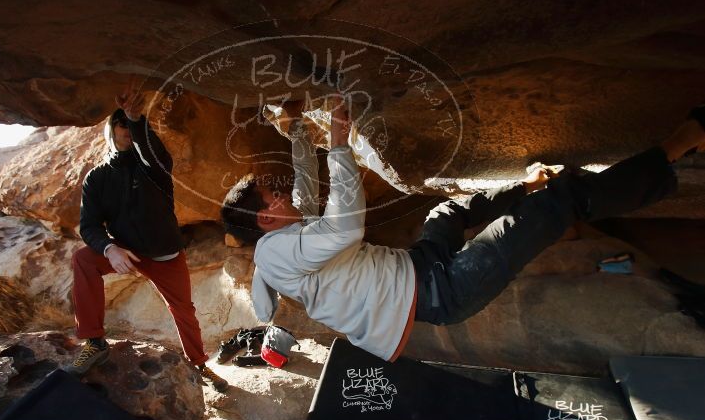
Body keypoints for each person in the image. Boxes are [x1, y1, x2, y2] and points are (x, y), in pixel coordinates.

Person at [221, 98, 705, 362]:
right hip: (442, 293)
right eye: (273, 197)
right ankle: (674, 150)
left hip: (419, 268)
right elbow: (344, 227)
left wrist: (299, 132)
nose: (283, 195)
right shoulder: (277, 254)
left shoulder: (281, 241)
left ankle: (527, 183)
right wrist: (341, 141)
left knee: (446, 213)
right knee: (557, 205)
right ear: (265, 219)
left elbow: (305, 192)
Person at [66, 82, 228, 392]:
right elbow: (88, 226)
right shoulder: (97, 178)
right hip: (126, 251)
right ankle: (94, 343)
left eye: (130, 126)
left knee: (184, 310)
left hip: (165, 253)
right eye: (120, 125)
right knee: (83, 259)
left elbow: (156, 155)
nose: (126, 130)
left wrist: (136, 118)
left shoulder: (152, 167)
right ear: (110, 132)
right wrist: (109, 248)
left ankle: (198, 363)